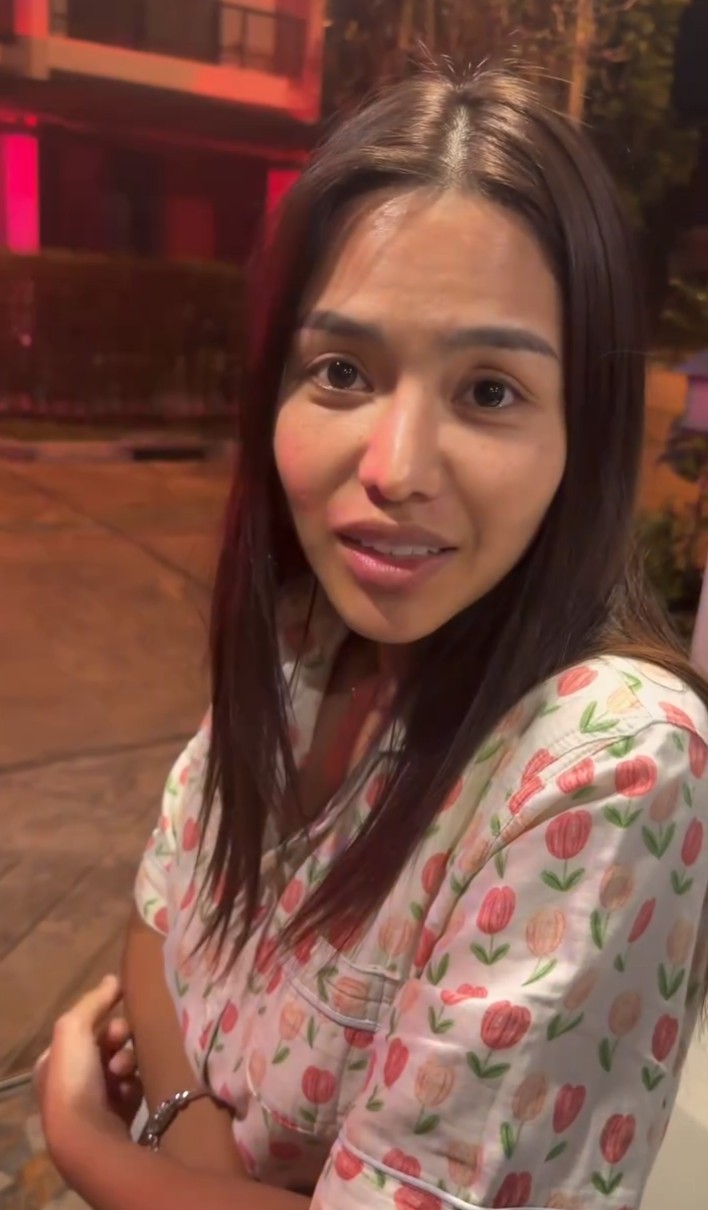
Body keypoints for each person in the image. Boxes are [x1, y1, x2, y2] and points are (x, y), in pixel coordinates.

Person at [36, 67, 708, 1210]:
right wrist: (195, 1130)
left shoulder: (608, 762)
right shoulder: (310, 636)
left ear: (582, 431)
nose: (395, 469)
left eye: (488, 391)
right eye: (342, 371)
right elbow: (159, 918)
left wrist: (93, 1145)